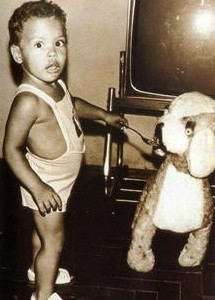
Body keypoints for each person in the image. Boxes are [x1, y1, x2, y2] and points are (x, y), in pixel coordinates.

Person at [3, 1, 128, 300]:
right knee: (54, 241)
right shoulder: (28, 102)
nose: (52, 53)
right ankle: (43, 294)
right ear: (18, 54)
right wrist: (38, 187)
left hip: (61, 180)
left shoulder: (55, 84)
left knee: (43, 234)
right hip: (47, 183)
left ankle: (38, 269)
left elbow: (73, 104)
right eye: (39, 44)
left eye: (59, 42)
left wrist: (103, 115)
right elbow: (11, 150)